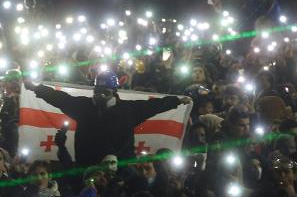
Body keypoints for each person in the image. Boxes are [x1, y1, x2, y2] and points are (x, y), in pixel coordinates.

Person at [24, 71, 191, 166]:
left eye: (105, 91)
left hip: (121, 170)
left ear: (114, 91)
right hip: (87, 167)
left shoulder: (129, 110)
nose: (100, 95)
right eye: (97, 91)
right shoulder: (83, 106)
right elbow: (59, 98)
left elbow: (155, 106)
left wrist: (176, 101)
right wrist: (36, 88)